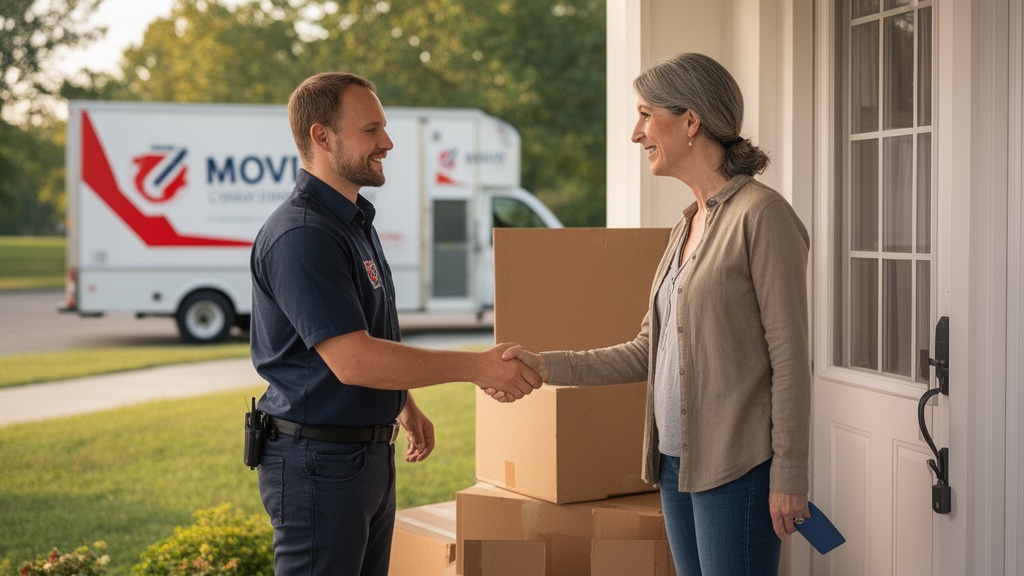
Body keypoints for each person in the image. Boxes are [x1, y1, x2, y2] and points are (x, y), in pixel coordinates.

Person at [501, 53, 811, 575]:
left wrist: (791, 473)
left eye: (645, 114)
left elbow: (790, 358)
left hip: (737, 469)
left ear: (691, 121)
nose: (635, 133)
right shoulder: (687, 224)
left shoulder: (762, 215)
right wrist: (544, 365)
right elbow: (649, 349)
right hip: (674, 464)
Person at [249, 72, 541, 576]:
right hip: (318, 464)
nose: (387, 142)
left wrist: (403, 403)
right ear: (322, 137)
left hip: (361, 460)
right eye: (371, 130)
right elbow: (352, 359)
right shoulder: (303, 235)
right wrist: (477, 367)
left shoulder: (352, 222)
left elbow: (367, 333)